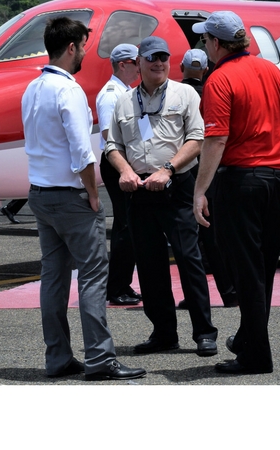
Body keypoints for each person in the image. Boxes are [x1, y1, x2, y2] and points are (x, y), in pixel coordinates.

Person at [22, 15, 145, 381]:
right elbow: (82, 152)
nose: (85, 56)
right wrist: (93, 196)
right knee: (92, 276)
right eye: (83, 48)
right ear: (72, 47)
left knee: (54, 279)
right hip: (70, 197)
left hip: (40, 194)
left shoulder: (33, 88)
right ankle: (101, 358)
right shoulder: (69, 90)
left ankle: (58, 358)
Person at [193, 11, 280, 375]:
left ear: (218, 43)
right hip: (277, 179)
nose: (204, 45)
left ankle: (255, 354)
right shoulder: (271, 70)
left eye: (205, 40)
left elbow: (216, 138)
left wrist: (200, 190)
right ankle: (249, 337)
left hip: (242, 180)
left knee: (245, 271)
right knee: (263, 270)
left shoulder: (219, 79)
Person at [105, 36, 219, 358]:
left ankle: (204, 332)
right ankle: (164, 333)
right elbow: (112, 146)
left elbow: (197, 139)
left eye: (164, 58)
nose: (159, 63)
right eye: (152, 58)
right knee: (150, 265)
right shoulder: (125, 102)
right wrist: (125, 171)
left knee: (189, 259)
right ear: (138, 62)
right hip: (139, 191)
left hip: (176, 186)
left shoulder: (185, 94)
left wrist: (168, 169)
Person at [178, 47, 237, 308]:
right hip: (211, 168)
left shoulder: (176, 94)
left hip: (184, 169)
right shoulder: (212, 90)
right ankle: (230, 291)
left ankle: (196, 296)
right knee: (213, 235)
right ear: (204, 70)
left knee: (190, 238)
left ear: (180, 69)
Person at [94, 43, 143, 306]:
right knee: (125, 226)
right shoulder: (112, 94)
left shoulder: (126, 91)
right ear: (123, 65)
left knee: (129, 226)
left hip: (125, 161)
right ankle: (116, 288)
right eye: (136, 63)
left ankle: (123, 283)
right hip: (117, 163)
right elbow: (107, 135)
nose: (140, 67)